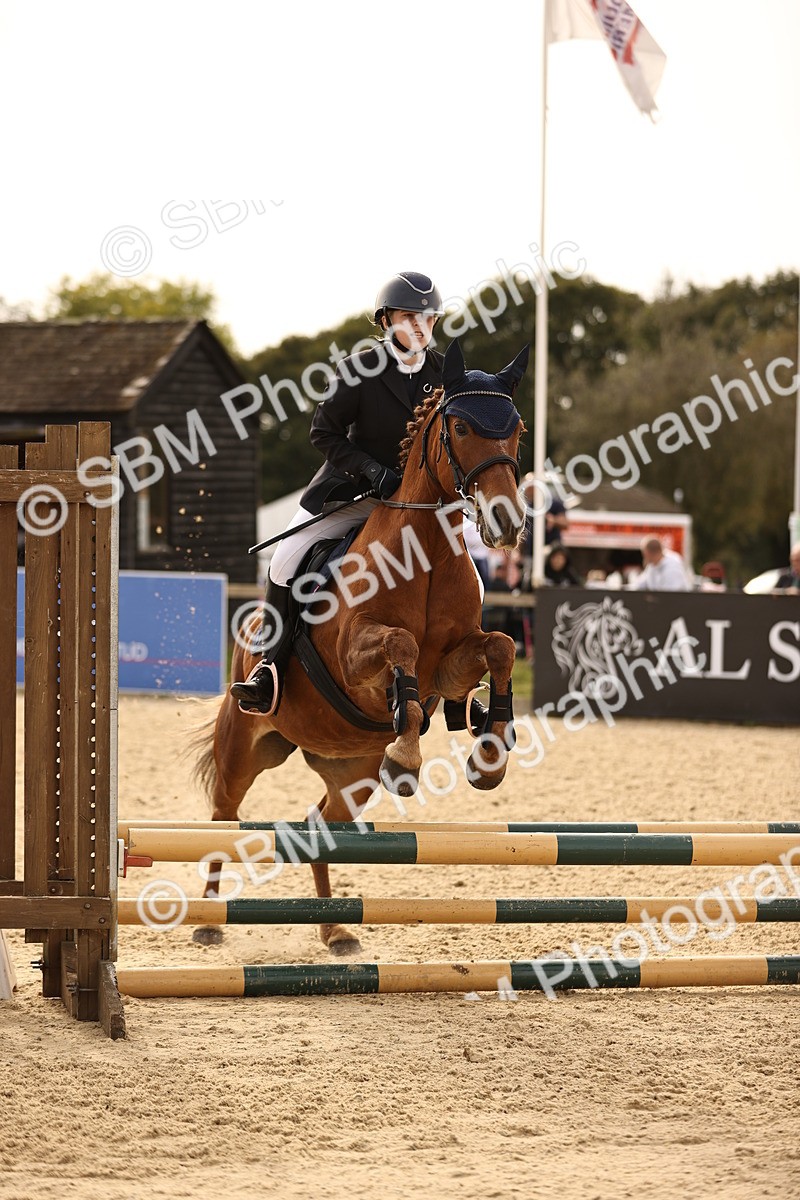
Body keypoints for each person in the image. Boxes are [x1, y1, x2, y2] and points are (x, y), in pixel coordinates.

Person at [231, 271, 445, 714]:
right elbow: (323, 433)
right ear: (386, 321)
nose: (421, 326)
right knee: (285, 562)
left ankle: (463, 691)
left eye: (429, 318)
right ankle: (268, 668)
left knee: (471, 574)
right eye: (410, 316)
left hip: (419, 506)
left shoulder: (447, 373)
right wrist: (372, 471)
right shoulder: (359, 370)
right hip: (353, 496)